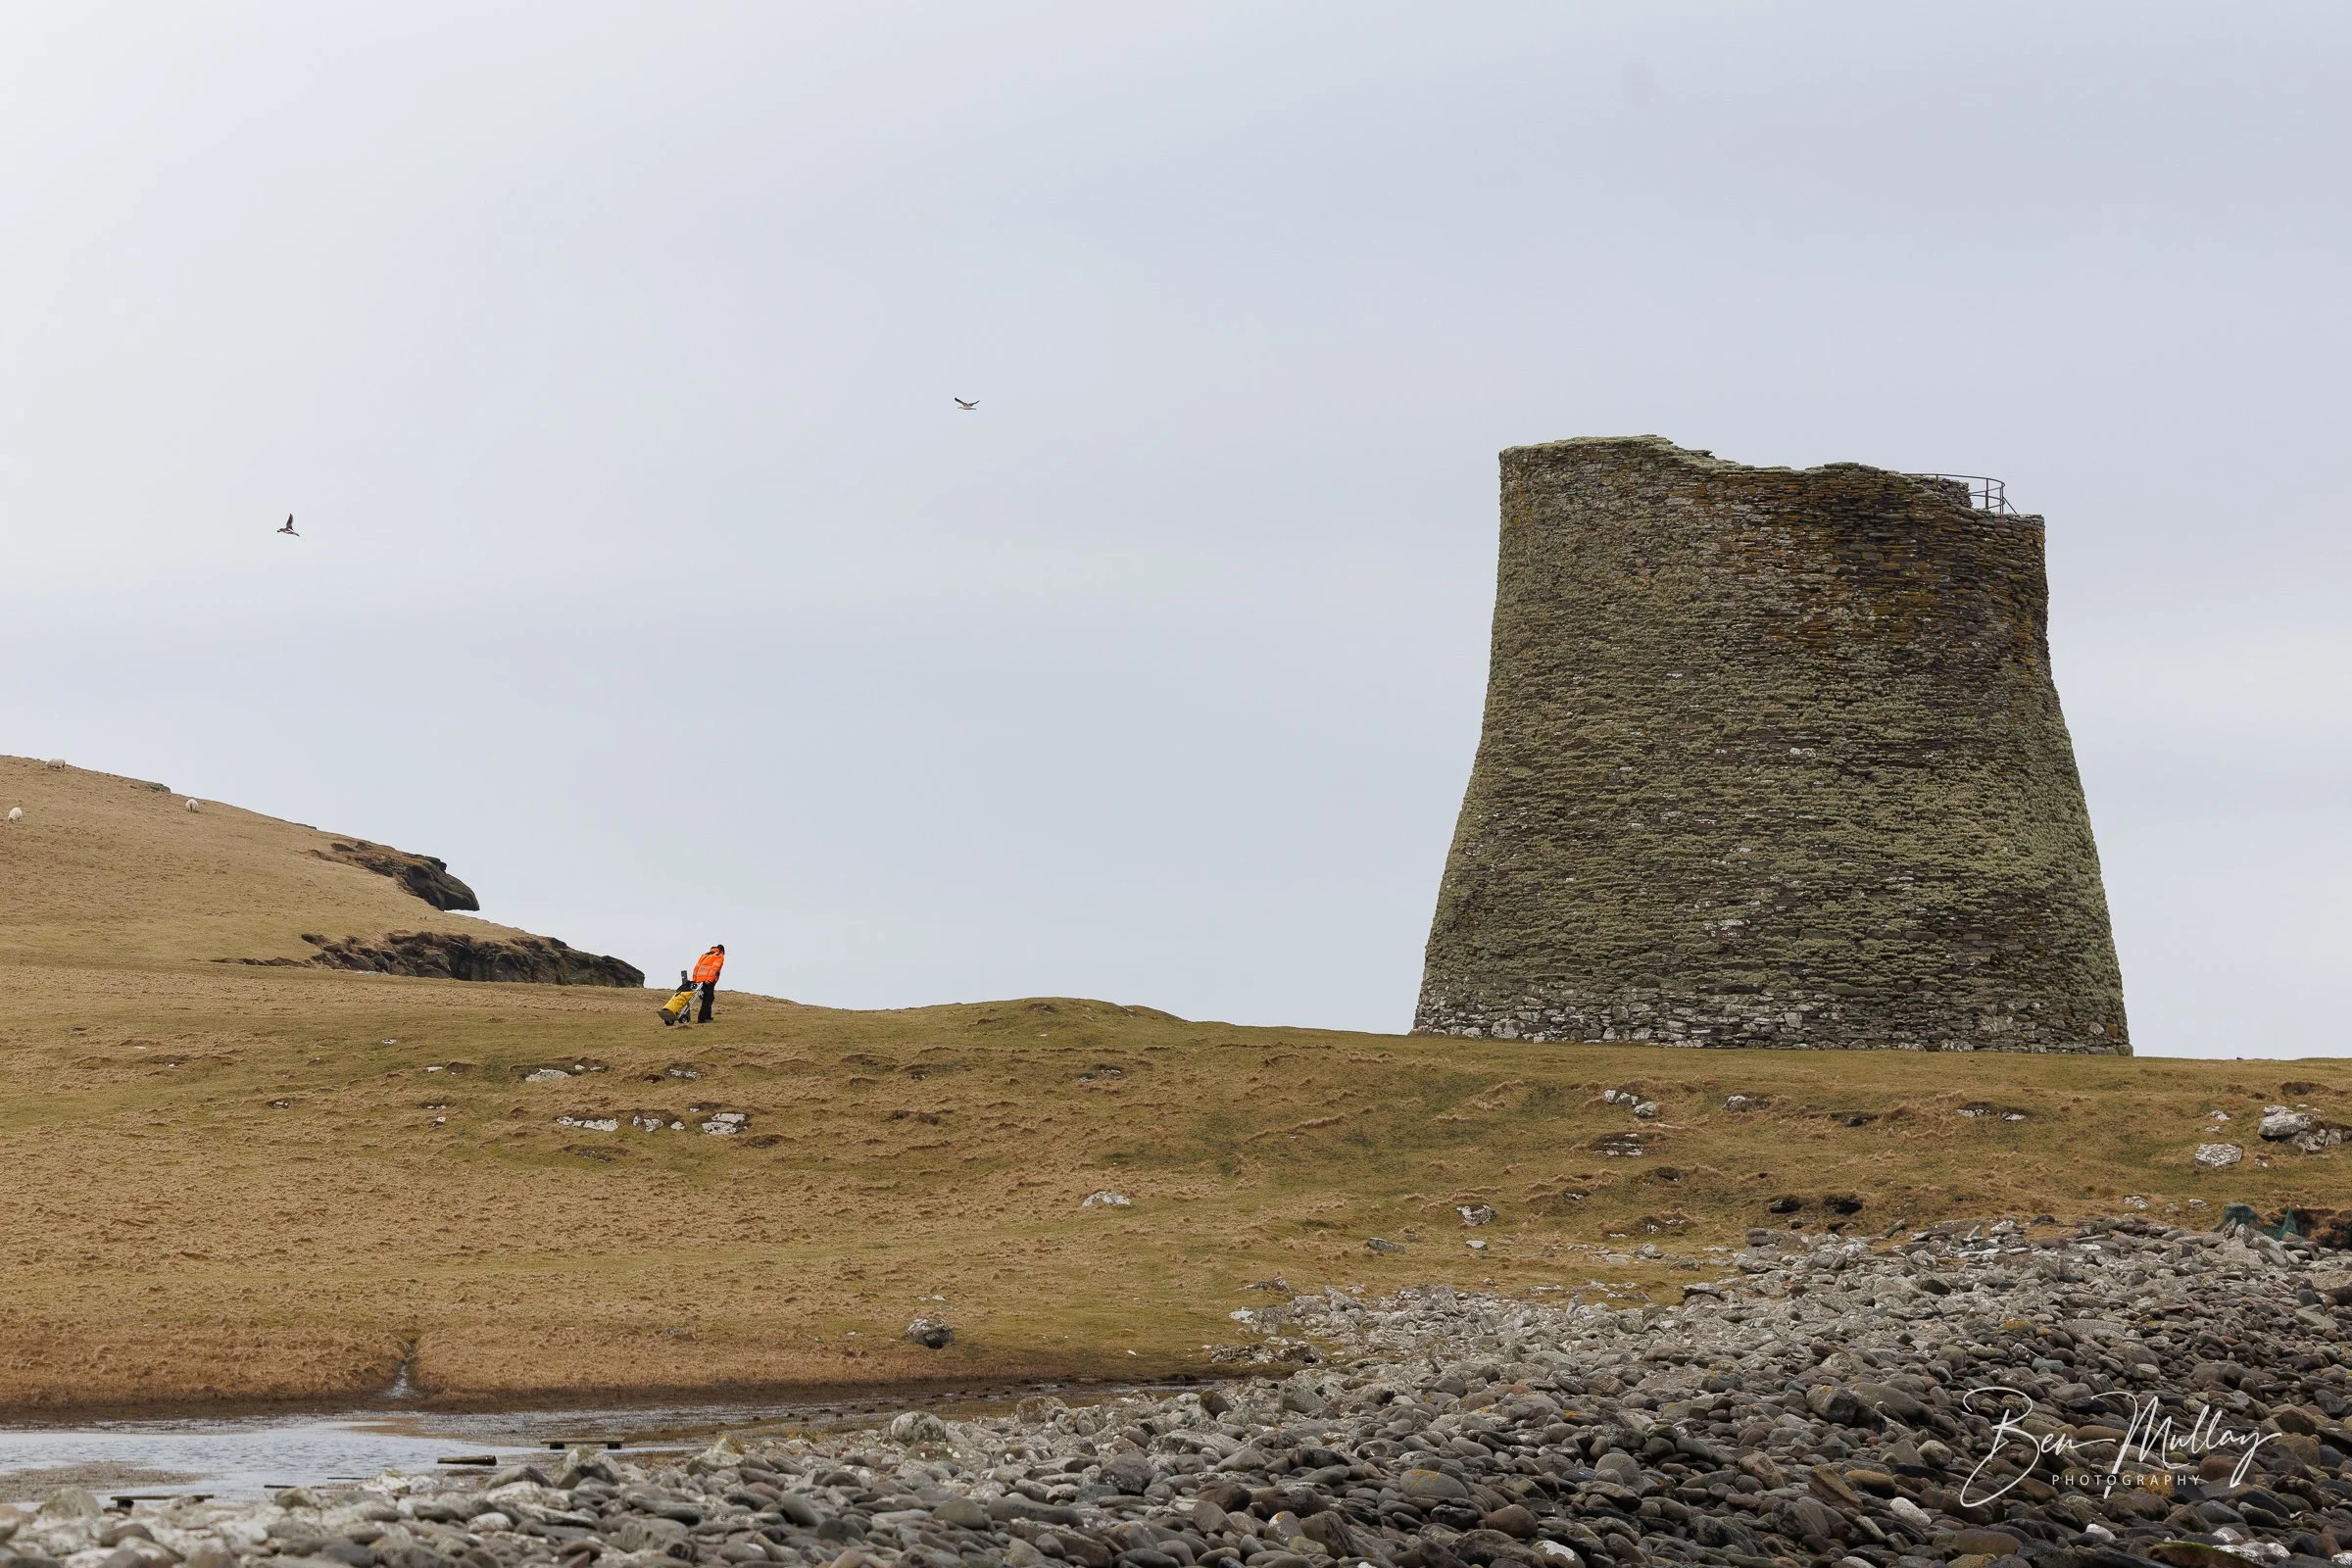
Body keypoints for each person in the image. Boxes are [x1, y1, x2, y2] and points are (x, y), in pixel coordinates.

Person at [691, 944, 726, 1023]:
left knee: (710, 997)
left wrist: (694, 979)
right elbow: (714, 968)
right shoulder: (719, 955)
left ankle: (708, 1016)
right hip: (707, 980)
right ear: (722, 951)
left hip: (698, 980)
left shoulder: (705, 955)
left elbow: (696, 968)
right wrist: (709, 980)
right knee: (708, 999)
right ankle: (702, 1019)